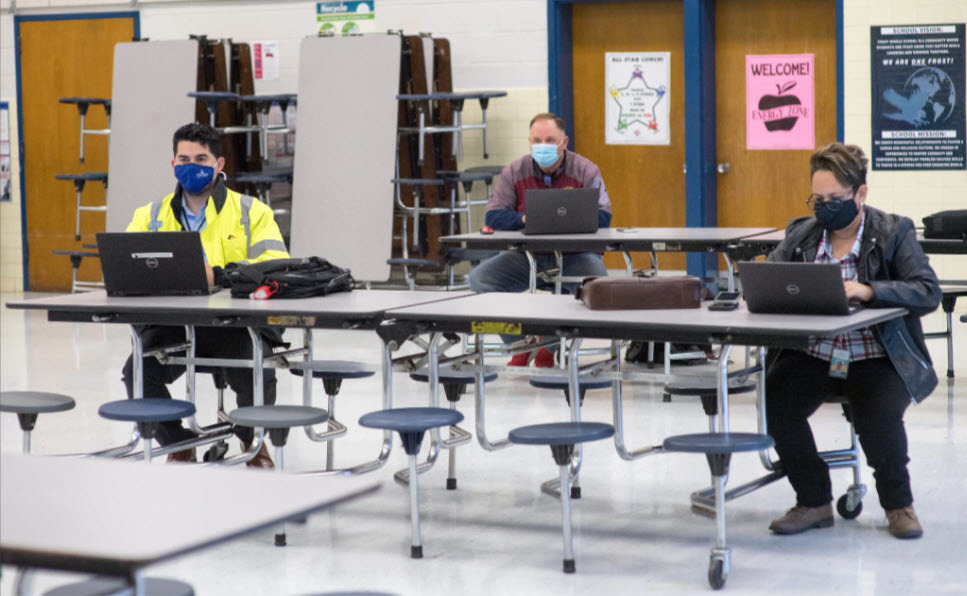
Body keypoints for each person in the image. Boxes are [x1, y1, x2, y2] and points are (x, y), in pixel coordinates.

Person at [765, 142, 941, 539]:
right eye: (819, 198)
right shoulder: (802, 234)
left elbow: (927, 291)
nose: (825, 207)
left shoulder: (894, 231)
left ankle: (899, 505)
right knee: (775, 400)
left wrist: (868, 290)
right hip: (817, 354)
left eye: (835, 199)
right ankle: (813, 500)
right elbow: (772, 276)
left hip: (878, 356)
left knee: (877, 416)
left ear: (860, 193)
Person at [122, 123, 289, 468]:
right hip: (175, 325)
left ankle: (252, 441)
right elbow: (125, 265)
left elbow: (275, 266)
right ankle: (179, 444)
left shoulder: (251, 212)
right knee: (138, 369)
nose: (191, 165)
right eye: (184, 158)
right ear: (173, 164)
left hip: (235, 325)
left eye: (201, 158)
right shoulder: (149, 216)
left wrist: (221, 275)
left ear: (219, 164)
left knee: (255, 369)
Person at [467, 112, 612, 366]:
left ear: (564, 142)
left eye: (549, 140)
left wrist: (563, 221)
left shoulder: (587, 170)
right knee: (479, 279)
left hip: (575, 257)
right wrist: (524, 219)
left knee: (596, 281)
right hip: (526, 256)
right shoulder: (514, 171)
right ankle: (519, 343)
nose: (542, 146)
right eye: (537, 140)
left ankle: (550, 345)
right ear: (529, 142)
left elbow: (603, 215)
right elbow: (493, 217)